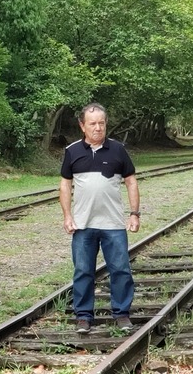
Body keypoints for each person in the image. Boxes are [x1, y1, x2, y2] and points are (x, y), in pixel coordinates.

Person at [59, 103, 140, 335]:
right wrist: (67, 216)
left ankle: (122, 313)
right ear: (82, 126)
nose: (98, 128)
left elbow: (131, 181)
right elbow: (65, 185)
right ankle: (84, 316)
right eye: (92, 124)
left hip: (114, 224)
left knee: (121, 270)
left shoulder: (118, 150)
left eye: (102, 123)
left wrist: (134, 214)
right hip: (83, 225)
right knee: (83, 270)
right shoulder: (72, 151)